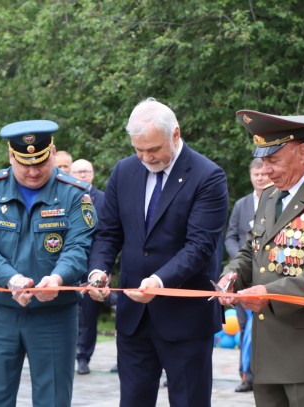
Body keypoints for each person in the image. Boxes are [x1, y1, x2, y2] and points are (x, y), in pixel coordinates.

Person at [83, 97, 229, 407]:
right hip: (135, 318)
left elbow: (200, 246)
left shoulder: (208, 176)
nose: (146, 158)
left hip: (185, 319)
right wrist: (98, 271)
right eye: (139, 150)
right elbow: (108, 233)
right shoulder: (124, 172)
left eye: (154, 150)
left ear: (176, 134)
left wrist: (159, 281)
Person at [217, 109, 304, 407]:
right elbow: (251, 251)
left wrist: (269, 293)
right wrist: (232, 275)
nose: (266, 170)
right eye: (262, 162)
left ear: (303, 152)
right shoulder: (269, 197)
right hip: (267, 348)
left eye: (273, 160)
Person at [0, 120, 97, 407]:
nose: (33, 171)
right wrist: (11, 279)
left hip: (54, 314)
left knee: (53, 398)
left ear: (53, 153)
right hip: (1, 311)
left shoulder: (74, 193)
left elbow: (78, 247)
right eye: (25, 164)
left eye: (40, 162)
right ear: (11, 156)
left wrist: (58, 279)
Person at [224, 157, 270, 393]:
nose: (261, 178)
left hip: (268, 277)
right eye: (256, 175)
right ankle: (246, 376)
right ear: (251, 176)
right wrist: (238, 260)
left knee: (266, 327)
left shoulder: (276, 201)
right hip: (243, 276)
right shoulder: (242, 204)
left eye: (264, 174)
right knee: (244, 327)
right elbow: (231, 236)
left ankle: (265, 374)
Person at [71, 158, 116, 375]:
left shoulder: (104, 199)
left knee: (88, 314)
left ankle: (83, 356)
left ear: (93, 174)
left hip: (92, 265)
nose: (82, 175)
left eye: (86, 171)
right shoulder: (61, 197)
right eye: (78, 171)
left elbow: (109, 235)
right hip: (67, 264)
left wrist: (106, 269)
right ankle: (66, 352)